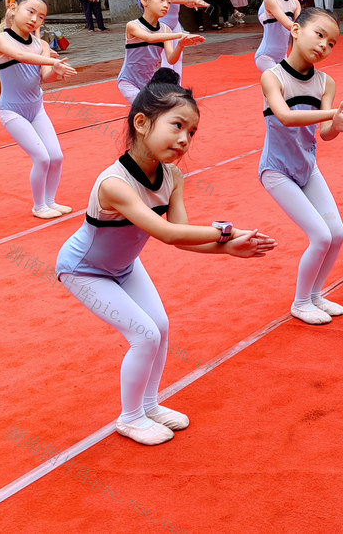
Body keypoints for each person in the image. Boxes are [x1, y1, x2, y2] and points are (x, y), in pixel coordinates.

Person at [56, 72, 277, 446]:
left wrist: (227, 248)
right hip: (83, 270)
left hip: (124, 267)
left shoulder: (173, 176)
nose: (185, 139)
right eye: (177, 126)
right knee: (144, 334)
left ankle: (148, 406)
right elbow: (169, 233)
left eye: (192, 132)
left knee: (160, 325)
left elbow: (182, 236)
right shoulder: (114, 184)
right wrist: (227, 232)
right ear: (141, 123)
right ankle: (130, 418)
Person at [259, 8, 343, 325]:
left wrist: (338, 126)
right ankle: (301, 302)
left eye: (331, 43)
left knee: (337, 233)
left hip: (308, 169)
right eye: (319, 35)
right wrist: (331, 115)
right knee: (320, 235)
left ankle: (316, 294)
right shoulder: (273, 77)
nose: (324, 45)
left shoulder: (325, 82)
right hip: (277, 171)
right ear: (295, 30)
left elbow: (324, 134)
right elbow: (285, 117)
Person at [0, 0, 77, 219]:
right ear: (13, 8)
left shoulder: (41, 44)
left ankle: (50, 202)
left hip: (36, 109)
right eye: (30, 12)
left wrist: (56, 70)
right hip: (12, 111)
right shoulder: (0, 39)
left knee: (56, 157)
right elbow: (21, 55)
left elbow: (45, 77)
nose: (34, 19)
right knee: (42, 157)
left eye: (41, 17)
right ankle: (39, 207)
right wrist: (51, 60)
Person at [116, 0, 205, 104]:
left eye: (169, 2)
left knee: (161, 108)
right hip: (128, 81)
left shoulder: (165, 29)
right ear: (144, 1)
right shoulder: (133, 25)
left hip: (149, 83)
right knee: (147, 107)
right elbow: (149, 38)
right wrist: (179, 35)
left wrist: (181, 45)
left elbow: (171, 60)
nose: (166, 5)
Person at [154, 0, 209, 76]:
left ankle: (177, 83)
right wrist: (193, 0)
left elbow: (185, 0)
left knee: (178, 56)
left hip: (175, 23)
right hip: (163, 23)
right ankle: (167, 85)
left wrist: (195, 3)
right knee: (168, 57)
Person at [255, 0, 303, 74]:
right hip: (266, 57)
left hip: (283, 58)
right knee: (281, 80)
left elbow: (299, 28)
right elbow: (290, 25)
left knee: (290, 82)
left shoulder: (295, 3)